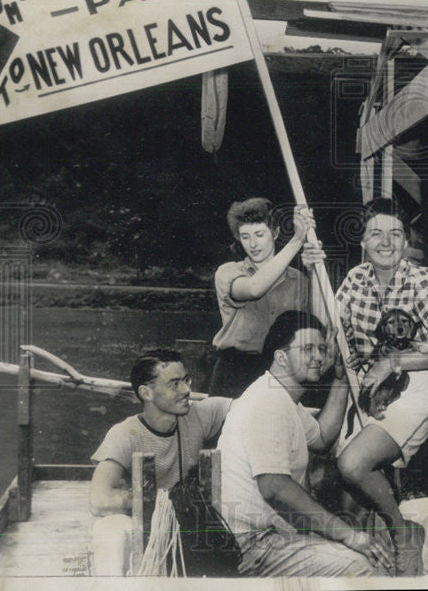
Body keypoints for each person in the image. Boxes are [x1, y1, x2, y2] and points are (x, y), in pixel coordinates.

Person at [333, 197, 428, 575]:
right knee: (350, 504)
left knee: (353, 464)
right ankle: (367, 572)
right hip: (366, 388)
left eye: (395, 234)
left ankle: (402, 530)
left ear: (406, 243)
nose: (385, 242)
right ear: (363, 242)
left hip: (411, 386)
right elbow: (334, 336)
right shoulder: (354, 279)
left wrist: (394, 361)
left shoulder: (419, 281)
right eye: (376, 234)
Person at [216, 310, 393, 577]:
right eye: (307, 348)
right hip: (252, 546)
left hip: (270, 537)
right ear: (281, 356)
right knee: (362, 565)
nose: (319, 357)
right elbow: (274, 486)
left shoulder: (281, 397)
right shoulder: (268, 402)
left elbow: (322, 437)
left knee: (359, 554)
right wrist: (349, 536)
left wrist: (340, 378)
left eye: (321, 348)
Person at [88, 349, 231, 576]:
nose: (187, 390)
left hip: (189, 527)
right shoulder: (125, 433)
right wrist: (164, 500)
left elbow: (253, 407)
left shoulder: (200, 415)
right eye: (174, 384)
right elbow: (99, 500)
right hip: (148, 530)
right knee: (109, 530)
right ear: (147, 392)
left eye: (186, 380)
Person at [210, 198, 325, 398]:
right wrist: (297, 239)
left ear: (276, 232)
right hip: (235, 371)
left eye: (259, 234)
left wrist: (314, 271)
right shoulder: (228, 272)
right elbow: (255, 289)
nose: (252, 244)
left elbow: (318, 325)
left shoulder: (298, 279)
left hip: (280, 372)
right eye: (245, 236)